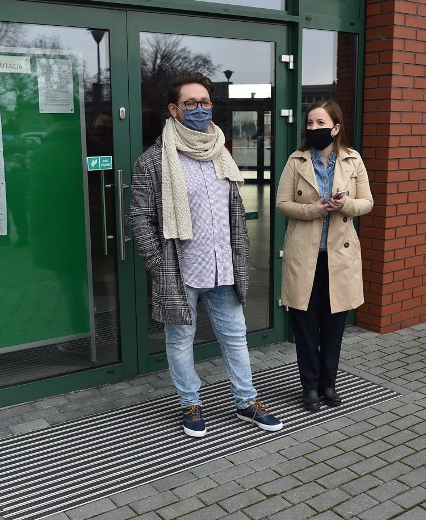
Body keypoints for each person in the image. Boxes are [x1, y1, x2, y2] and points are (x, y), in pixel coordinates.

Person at [128, 71, 283, 438]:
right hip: (180, 269)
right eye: (191, 103)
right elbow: (139, 216)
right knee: (180, 340)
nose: (199, 109)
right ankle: (190, 403)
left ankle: (246, 401)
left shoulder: (220, 154)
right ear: (174, 110)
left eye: (205, 102)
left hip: (222, 267)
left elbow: (233, 212)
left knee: (235, 336)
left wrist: (239, 250)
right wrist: (156, 261)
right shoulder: (154, 160)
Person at [276, 100, 374, 412]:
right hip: (305, 257)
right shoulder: (296, 160)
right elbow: (281, 203)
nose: (314, 129)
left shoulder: (353, 159)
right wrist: (313, 210)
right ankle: (309, 388)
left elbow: (367, 202)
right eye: (311, 123)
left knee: (333, 329)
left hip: (339, 259)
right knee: (305, 330)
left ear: (336, 127)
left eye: (321, 123)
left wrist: (345, 205)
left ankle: (328, 385)